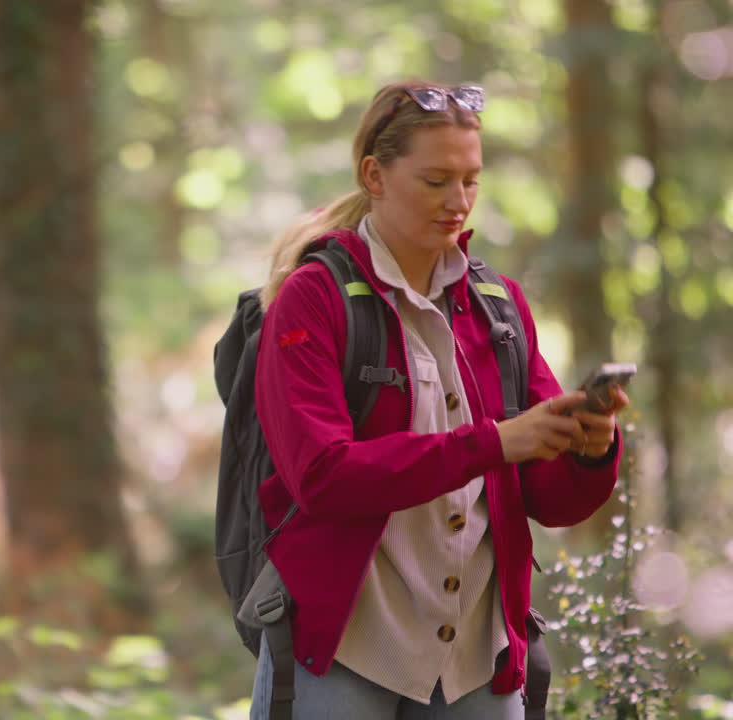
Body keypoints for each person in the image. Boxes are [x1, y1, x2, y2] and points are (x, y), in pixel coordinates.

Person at [248, 81, 629, 718]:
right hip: (344, 647)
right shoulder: (314, 298)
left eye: (471, 181)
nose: (458, 202)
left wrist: (591, 451)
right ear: (375, 174)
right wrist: (492, 443)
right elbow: (321, 476)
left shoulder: (498, 307)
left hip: (477, 657)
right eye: (435, 182)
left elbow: (552, 501)